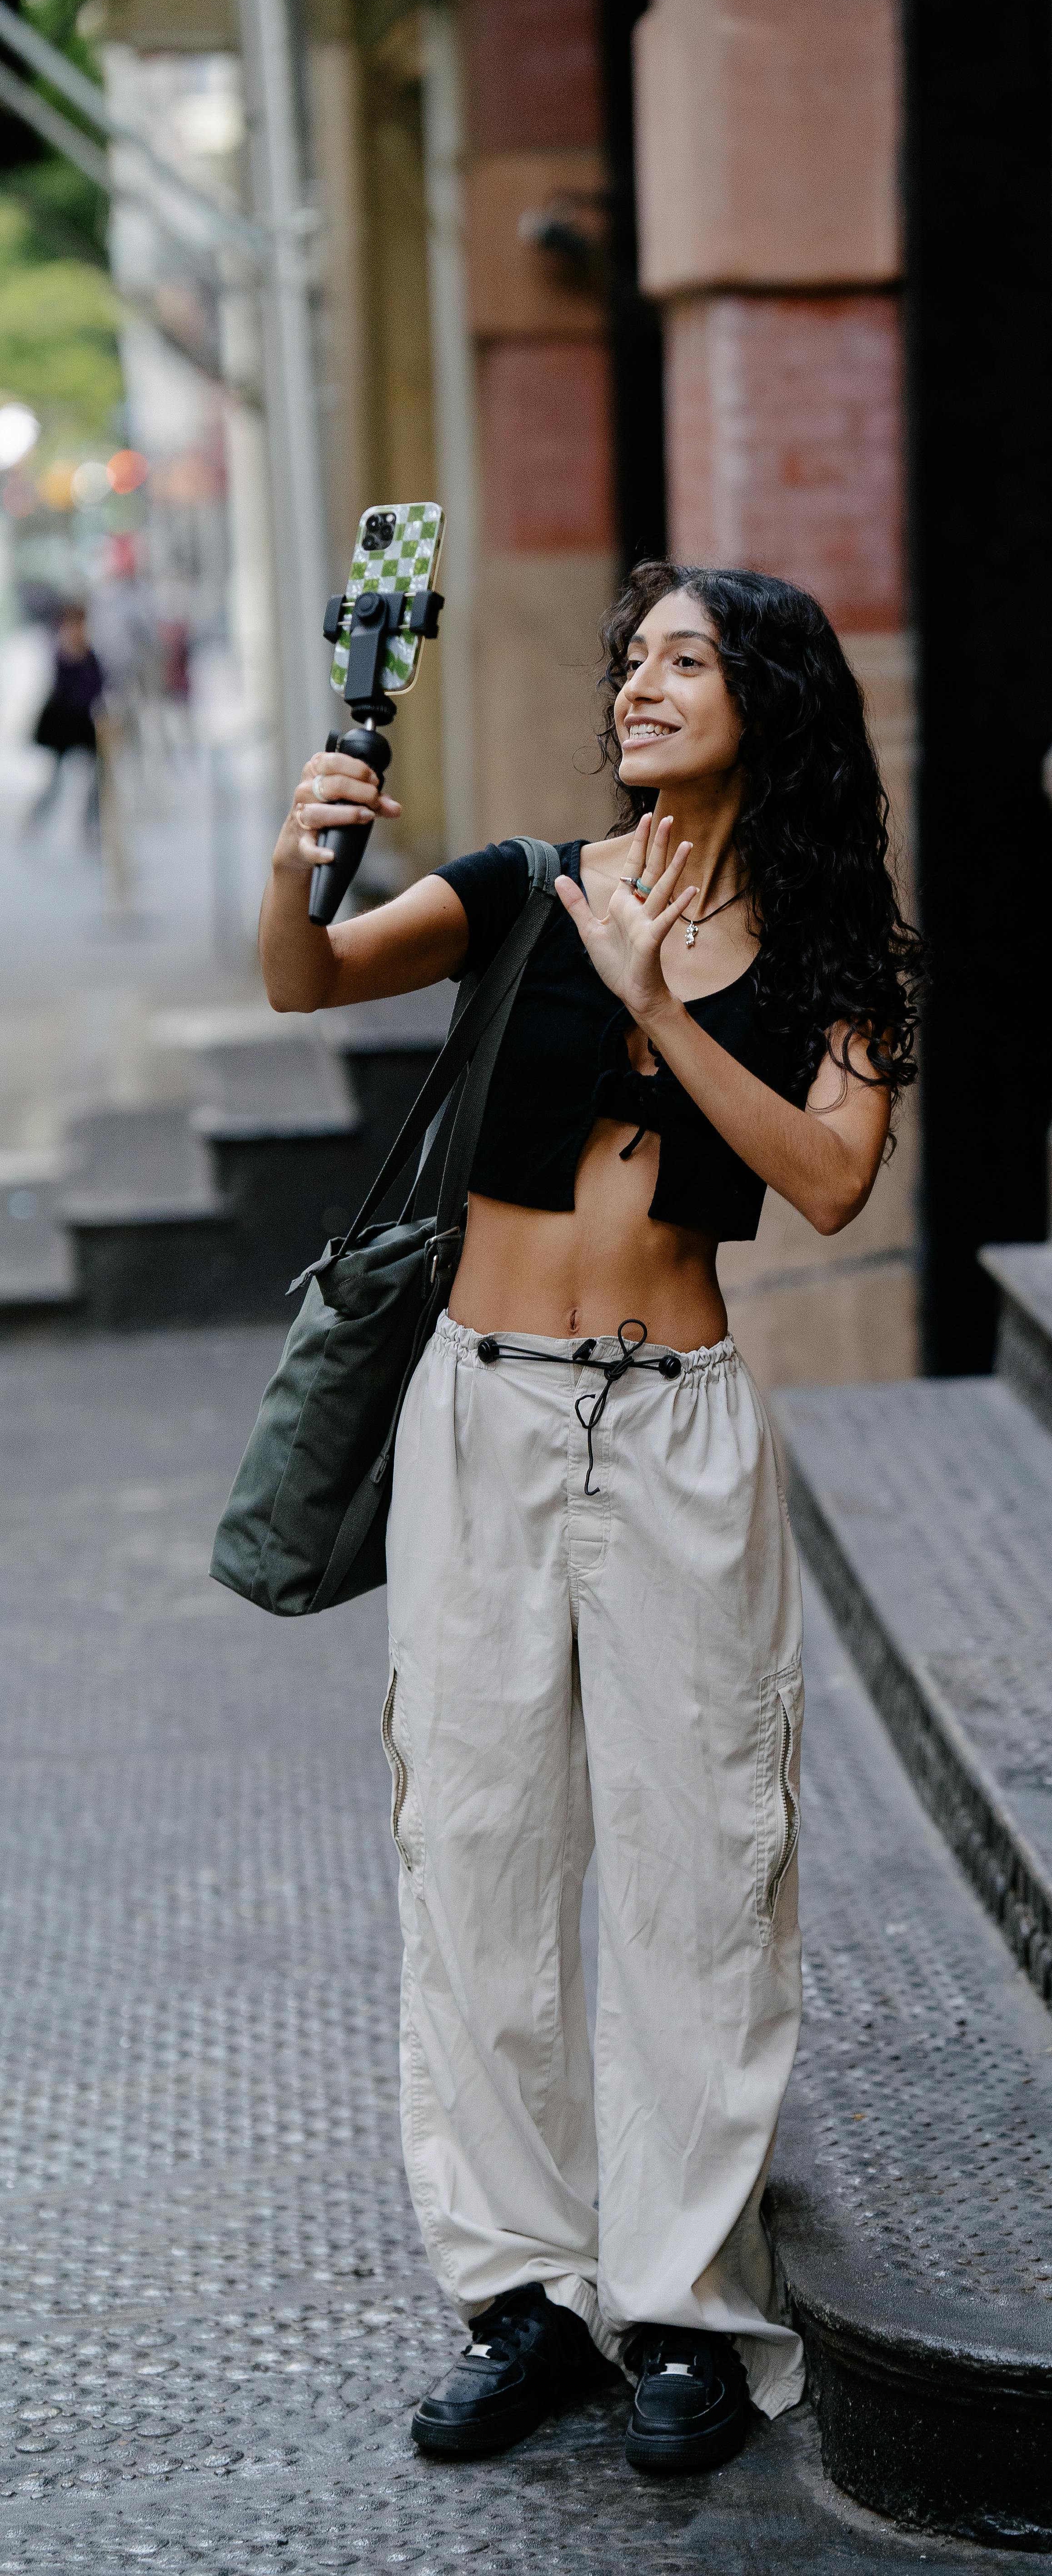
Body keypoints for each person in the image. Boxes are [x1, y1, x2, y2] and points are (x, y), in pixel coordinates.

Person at [255, 564, 922, 2473]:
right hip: (482, 1411)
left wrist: (663, 1009)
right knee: (474, 1838)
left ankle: (686, 2305)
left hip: (679, 1437)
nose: (637, 685)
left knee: (699, 1859)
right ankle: (521, 2290)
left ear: (765, 701)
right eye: (629, 658)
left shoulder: (835, 950)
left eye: (683, 660)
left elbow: (826, 1179)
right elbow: (305, 977)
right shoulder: (521, 882)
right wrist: (296, 858)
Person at [26, 603, 105, 839]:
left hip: (83, 725)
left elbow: (98, 686)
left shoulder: (90, 655)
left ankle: (90, 825)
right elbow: (65, 691)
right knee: (55, 781)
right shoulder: (61, 656)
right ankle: (34, 822)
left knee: (96, 778)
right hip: (63, 726)